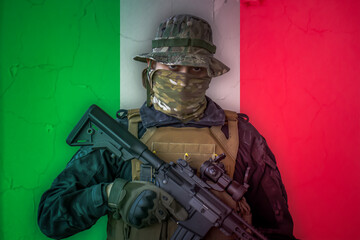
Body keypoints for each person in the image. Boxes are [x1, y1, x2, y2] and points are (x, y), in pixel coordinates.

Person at [38, 14, 296, 240]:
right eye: (173, 66)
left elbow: (277, 232)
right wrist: (111, 194)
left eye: (195, 68)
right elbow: (51, 217)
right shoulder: (124, 133)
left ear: (208, 73)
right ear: (152, 68)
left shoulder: (244, 139)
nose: (184, 78)